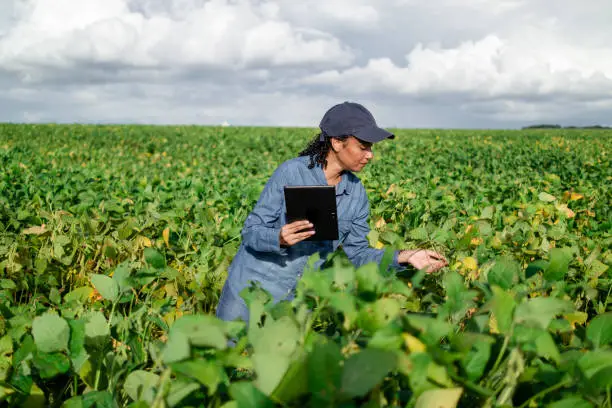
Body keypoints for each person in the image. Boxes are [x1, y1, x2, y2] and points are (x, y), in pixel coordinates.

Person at [215, 101, 448, 324]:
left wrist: (406, 256)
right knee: (224, 358)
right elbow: (251, 231)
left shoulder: (356, 194)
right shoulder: (292, 173)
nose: (370, 155)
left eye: (371, 148)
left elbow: (357, 255)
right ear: (337, 142)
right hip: (250, 289)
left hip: (297, 300)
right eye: (363, 146)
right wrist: (279, 238)